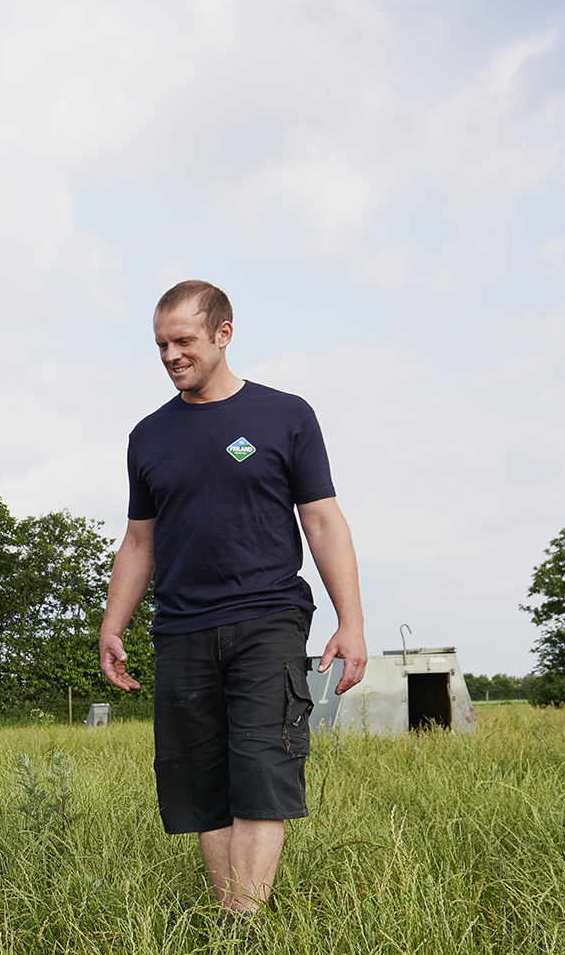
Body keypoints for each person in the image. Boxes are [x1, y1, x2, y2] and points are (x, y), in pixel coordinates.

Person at [98, 281, 368, 913]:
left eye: (183, 341)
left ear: (223, 334)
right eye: (161, 345)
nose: (170, 355)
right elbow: (139, 540)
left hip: (268, 616)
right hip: (181, 627)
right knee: (203, 784)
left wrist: (350, 621)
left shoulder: (285, 415)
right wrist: (113, 625)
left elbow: (322, 520)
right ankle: (233, 922)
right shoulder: (148, 436)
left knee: (262, 768)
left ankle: (245, 925)